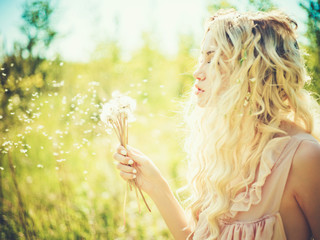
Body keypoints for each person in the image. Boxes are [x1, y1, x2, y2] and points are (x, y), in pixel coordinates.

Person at [113, 9, 320, 240]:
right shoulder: (224, 151)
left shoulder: (304, 157)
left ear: (252, 69)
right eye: (201, 58)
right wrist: (155, 185)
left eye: (213, 58)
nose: (197, 72)